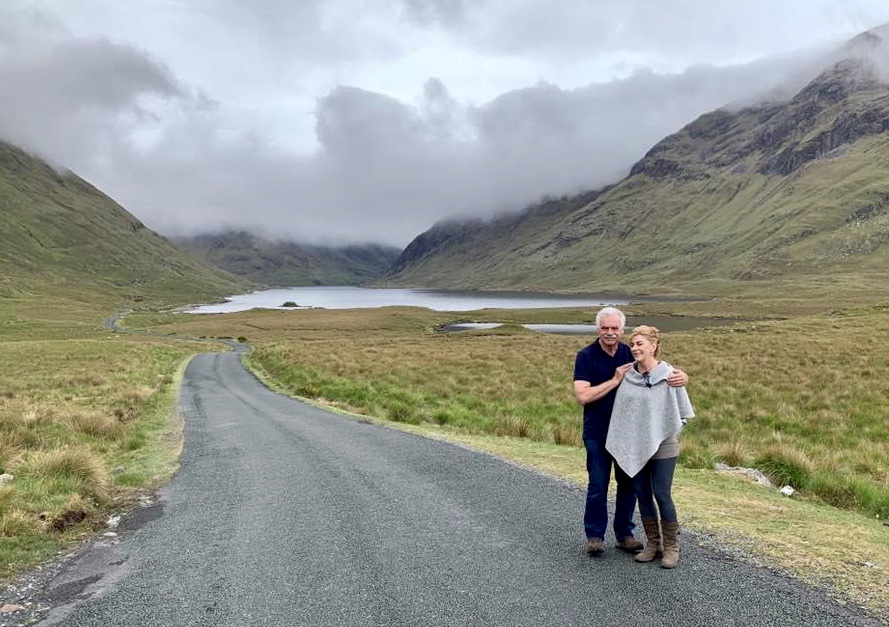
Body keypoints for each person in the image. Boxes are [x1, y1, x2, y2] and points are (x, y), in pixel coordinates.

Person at [573, 307, 688, 556]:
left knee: (629, 484)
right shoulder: (586, 356)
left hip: (631, 434)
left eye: (614, 328)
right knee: (598, 484)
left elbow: (657, 369)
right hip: (597, 431)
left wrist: (682, 377)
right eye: (605, 328)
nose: (610, 333)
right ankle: (595, 536)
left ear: (621, 330)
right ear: (598, 330)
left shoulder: (629, 352)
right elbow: (582, 396)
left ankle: (625, 533)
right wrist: (614, 381)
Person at [606, 325, 695, 569]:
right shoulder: (629, 377)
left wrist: (684, 377)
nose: (634, 348)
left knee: (662, 494)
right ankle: (652, 544)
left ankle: (671, 548)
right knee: (643, 495)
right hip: (636, 444)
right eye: (632, 344)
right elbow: (623, 414)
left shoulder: (670, 374)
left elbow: (680, 411)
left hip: (664, 443)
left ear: (653, 346)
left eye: (640, 344)